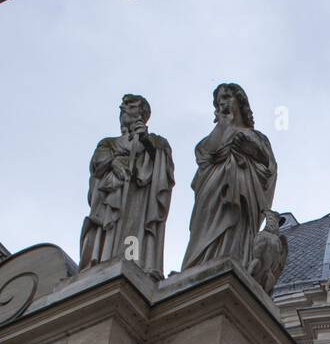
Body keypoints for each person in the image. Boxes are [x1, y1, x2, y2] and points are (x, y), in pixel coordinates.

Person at [182, 83, 277, 272]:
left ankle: (232, 260)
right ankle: (198, 265)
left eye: (226, 98)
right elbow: (204, 156)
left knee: (235, 227)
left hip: (243, 192)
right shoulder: (216, 133)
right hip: (212, 190)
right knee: (205, 228)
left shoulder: (257, 137)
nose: (222, 104)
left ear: (240, 101)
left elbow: (269, 169)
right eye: (218, 102)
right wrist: (223, 126)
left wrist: (254, 152)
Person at [79, 95, 174, 278]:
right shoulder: (109, 142)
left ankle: (133, 261)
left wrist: (146, 141)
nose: (123, 108)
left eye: (130, 106)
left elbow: (163, 172)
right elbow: (97, 164)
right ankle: (102, 259)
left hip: (137, 198)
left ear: (142, 113)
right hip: (110, 198)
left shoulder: (156, 142)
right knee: (107, 230)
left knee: (132, 234)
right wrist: (114, 162)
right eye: (123, 105)